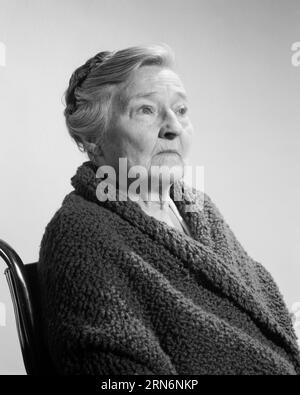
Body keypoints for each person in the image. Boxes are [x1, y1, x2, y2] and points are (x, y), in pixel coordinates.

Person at [37, 44, 300, 375]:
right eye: (146, 110)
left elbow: (262, 314)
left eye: (182, 110)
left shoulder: (198, 209)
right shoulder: (79, 235)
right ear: (94, 139)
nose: (173, 126)